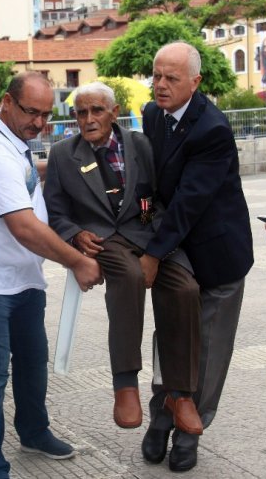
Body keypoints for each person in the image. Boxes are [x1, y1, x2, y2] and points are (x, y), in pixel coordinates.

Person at [0, 71, 103, 479]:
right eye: (32, 112)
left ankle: (33, 431)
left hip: (20, 277)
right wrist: (77, 261)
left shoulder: (15, 142)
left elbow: (31, 184)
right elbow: (24, 226)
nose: (39, 122)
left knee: (32, 362)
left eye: (46, 115)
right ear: (7, 103)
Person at [43, 81, 203, 435]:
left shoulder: (139, 144)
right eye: (81, 112)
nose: (88, 118)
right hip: (103, 238)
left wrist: (150, 237)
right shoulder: (62, 155)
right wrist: (75, 234)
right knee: (129, 278)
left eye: (97, 110)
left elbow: (151, 196)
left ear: (114, 113)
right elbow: (55, 212)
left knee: (185, 289)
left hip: (145, 231)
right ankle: (125, 384)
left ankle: (180, 393)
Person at [141, 41, 254, 472]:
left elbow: (189, 201)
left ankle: (190, 432)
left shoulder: (213, 129)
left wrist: (152, 253)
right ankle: (161, 419)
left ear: (196, 81)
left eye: (172, 78)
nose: (161, 85)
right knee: (169, 335)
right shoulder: (153, 115)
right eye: (157, 75)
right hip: (178, 245)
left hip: (217, 254)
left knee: (207, 348)